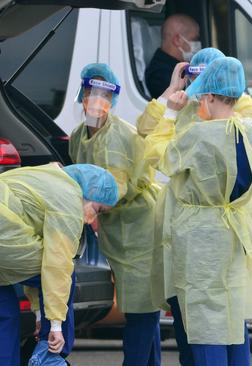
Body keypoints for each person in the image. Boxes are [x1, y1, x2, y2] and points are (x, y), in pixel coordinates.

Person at [142, 58, 252, 366]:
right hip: (234, 232)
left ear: (208, 96)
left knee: (206, 322)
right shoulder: (249, 129)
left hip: (201, 239)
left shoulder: (201, 135)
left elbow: (156, 155)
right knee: (232, 318)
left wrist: (170, 112)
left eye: (201, 95)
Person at [0, 163, 119, 366]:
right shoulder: (69, 197)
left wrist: (40, 314)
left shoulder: (42, 177)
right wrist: (56, 326)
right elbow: (55, 265)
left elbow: (28, 258)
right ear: (89, 192)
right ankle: (49, 358)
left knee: (0, 316)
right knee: (64, 272)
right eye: (98, 209)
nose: (93, 219)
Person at [69, 63, 162, 366]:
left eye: (103, 95)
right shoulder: (78, 136)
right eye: (90, 93)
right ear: (82, 95)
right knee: (140, 307)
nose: (95, 101)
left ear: (113, 99)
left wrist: (92, 205)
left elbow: (115, 188)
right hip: (117, 231)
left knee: (141, 309)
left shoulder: (119, 137)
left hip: (139, 227)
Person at [145, 14, 200, 98]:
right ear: (177, 40)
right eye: (194, 39)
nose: (198, 44)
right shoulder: (160, 75)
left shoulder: (176, 66)